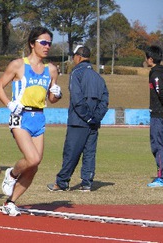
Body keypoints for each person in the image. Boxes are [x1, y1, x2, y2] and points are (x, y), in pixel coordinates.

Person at [0, 27, 62, 216]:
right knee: (32, 158)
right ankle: (12, 174)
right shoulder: (18, 65)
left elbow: (52, 98)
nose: (47, 46)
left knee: (34, 166)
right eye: (43, 42)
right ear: (32, 44)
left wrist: (57, 94)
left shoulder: (51, 70)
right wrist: (9, 104)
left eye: (49, 43)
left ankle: (10, 202)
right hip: (20, 116)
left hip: (39, 117)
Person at [47, 45, 109, 192]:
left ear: (78, 57)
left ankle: (62, 183)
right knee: (89, 153)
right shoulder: (98, 77)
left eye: (74, 56)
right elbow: (104, 101)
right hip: (93, 123)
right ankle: (87, 183)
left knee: (71, 152)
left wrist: (87, 117)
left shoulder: (76, 73)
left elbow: (77, 99)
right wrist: (95, 118)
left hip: (78, 121)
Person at [145, 45, 163, 187]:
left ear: (151, 59)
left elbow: (160, 92)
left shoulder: (156, 74)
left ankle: (161, 177)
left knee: (157, 145)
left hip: (158, 115)